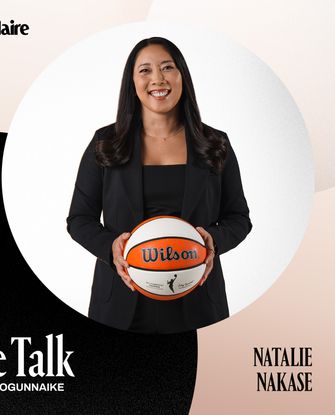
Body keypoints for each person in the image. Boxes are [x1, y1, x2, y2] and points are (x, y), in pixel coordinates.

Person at [67, 37, 252, 334]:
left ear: (182, 76)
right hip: (119, 307)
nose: (158, 79)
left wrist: (212, 240)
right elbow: (79, 220)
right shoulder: (106, 143)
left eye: (167, 67)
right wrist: (111, 248)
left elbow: (239, 218)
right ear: (132, 82)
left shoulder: (216, 143)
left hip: (199, 305)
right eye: (145, 70)